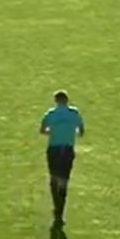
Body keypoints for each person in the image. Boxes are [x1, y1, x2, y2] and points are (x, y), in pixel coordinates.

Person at [40, 90, 85, 226]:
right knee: (64, 179)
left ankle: (56, 206)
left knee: (54, 178)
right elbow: (81, 131)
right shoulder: (74, 113)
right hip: (67, 150)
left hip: (54, 149)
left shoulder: (51, 114)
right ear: (67, 100)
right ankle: (61, 210)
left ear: (56, 101)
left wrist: (53, 131)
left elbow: (43, 130)